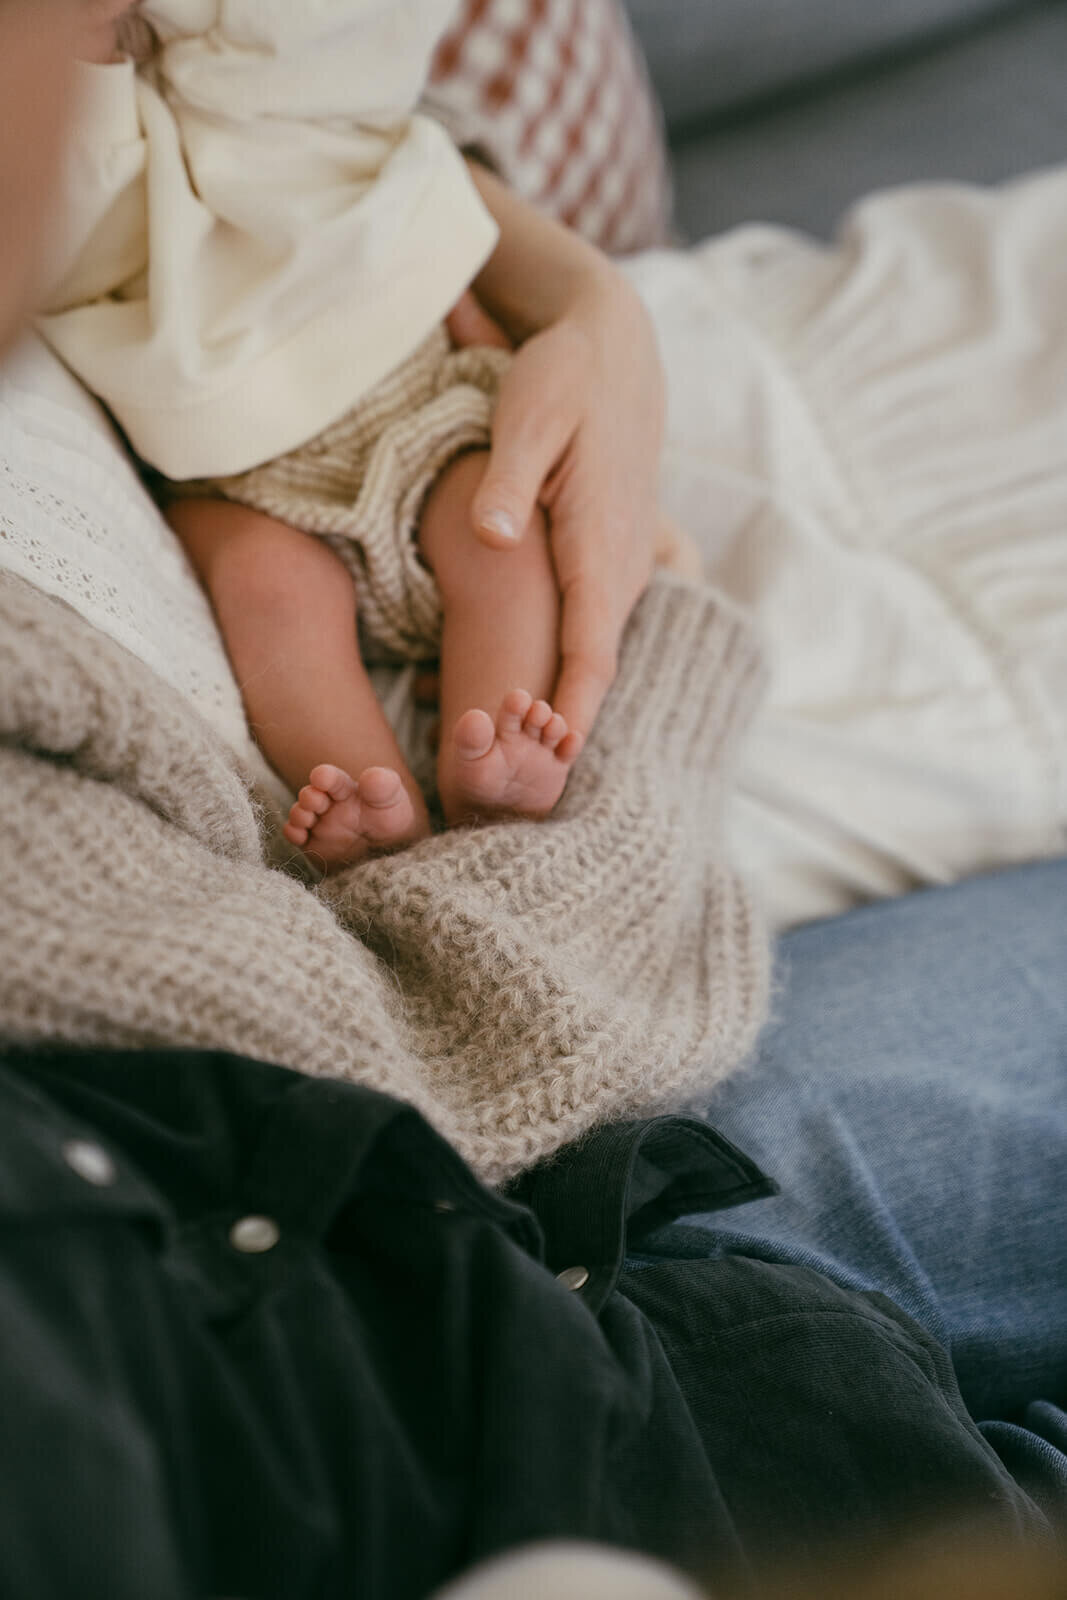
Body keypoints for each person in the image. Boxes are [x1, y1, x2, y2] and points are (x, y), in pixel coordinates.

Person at [1, 3, 1065, 1597]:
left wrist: (581, 305)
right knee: (338, 586)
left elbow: (300, 152)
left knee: (474, 539)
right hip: (607, 1281)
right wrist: (626, 712)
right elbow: (430, 1053)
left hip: (573, 1281)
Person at [53, 0, 700, 869]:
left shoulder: (310, 101)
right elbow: (67, 227)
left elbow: (371, 137)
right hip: (240, 479)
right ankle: (363, 791)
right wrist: (80, 69)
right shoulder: (81, 152)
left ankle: (495, 752)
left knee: (498, 530)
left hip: (418, 414)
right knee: (262, 585)